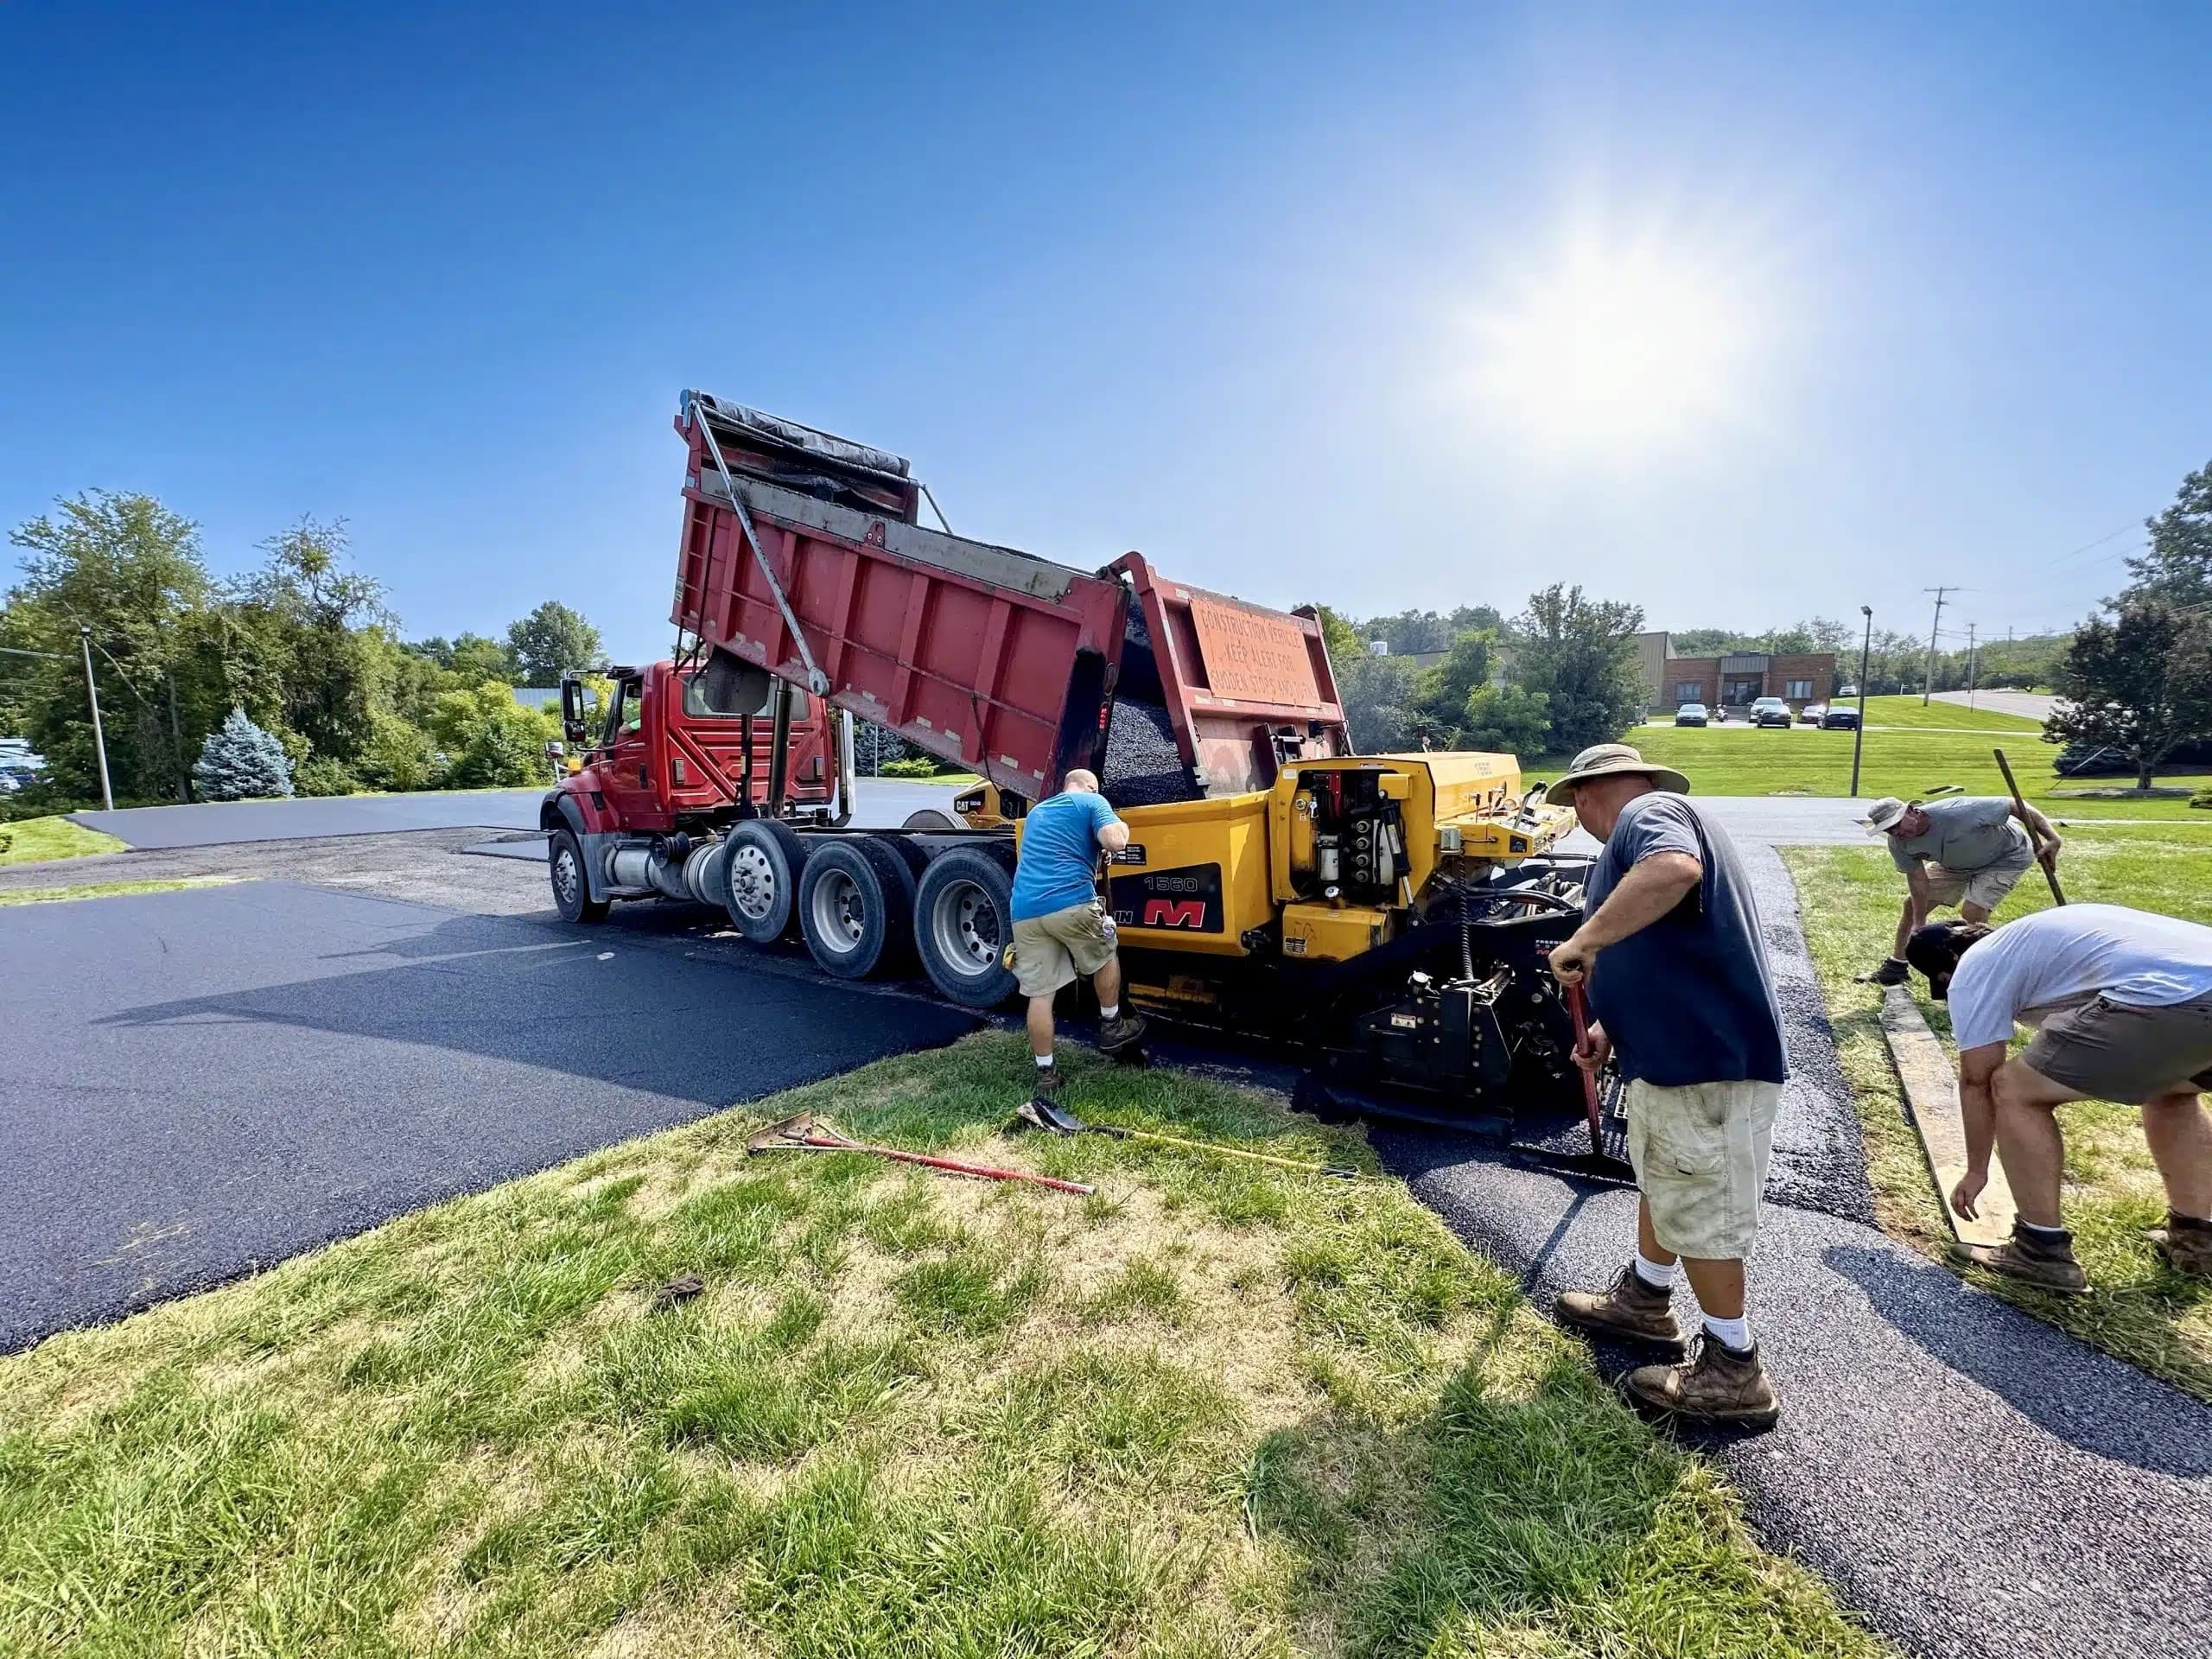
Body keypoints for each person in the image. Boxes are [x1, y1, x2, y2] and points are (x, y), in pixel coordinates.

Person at [1545, 743, 1790, 1430]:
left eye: (1576, 805)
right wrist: (1609, 1031)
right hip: (1671, 1060)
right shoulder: (1644, 829)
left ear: (1591, 793)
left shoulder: (1650, 813)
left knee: (1702, 1206)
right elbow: (1665, 949)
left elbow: (1674, 871)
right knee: (1666, 1181)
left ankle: (1733, 1371)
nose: (1579, 817)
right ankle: (1646, 1300)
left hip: (1705, 1066)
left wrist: (1583, 940)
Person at [1905, 904, 2212, 1289]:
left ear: (1951, 962)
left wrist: (1977, 1169)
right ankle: (2197, 1239)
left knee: (2013, 1089)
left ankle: (2040, 1250)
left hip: (2177, 998)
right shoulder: (2037, 942)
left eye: (1944, 980)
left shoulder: (1976, 966)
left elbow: (1976, 1080)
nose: (1951, 987)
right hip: (2197, 984)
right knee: (2172, 1092)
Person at [1008, 768, 1147, 1099]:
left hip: (1025, 911)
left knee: (1040, 994)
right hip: (1070, 903)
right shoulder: (1091, 800)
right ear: (1089, 786)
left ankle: (1046, 1074)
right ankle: (1112, 1025)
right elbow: (1115, 840)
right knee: (1105, 955)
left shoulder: (1039, 811)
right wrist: (1120, 827)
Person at [1860, 795, 2062, 985]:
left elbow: (2014, 805)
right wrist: (1919, 924)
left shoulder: (1959, 811)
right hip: (1954, 864)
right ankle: (1896, 968)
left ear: (1912, 812)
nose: (1896, 833)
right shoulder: (1899, 842)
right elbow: (1918, 880)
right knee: (1911, 906)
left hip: (2005, 857)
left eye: (1897, 825)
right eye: (1889, 830)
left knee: (1972, 912)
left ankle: (1976, 972)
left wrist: (2052, 838)